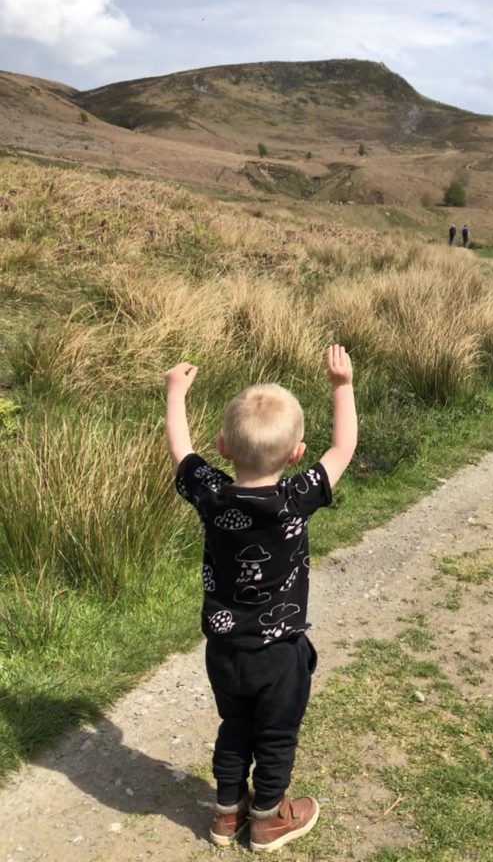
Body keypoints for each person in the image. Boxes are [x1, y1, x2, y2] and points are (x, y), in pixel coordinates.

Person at [164, 346, 357, 852]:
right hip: (279, 653)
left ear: (224, 447)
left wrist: (175, 394)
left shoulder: (213, 495)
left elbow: (182, 453)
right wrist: (342, 385)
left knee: (235, 726)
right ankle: (270, 817)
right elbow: (342, 450)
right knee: (275, 736)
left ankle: (227, 814)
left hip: (223, 650)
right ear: (296, 454)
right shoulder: (295, 499)